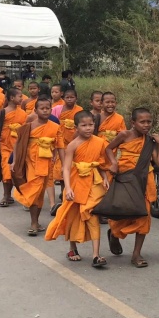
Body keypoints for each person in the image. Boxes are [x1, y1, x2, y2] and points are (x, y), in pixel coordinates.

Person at [45, 111, 119, 267]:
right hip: (76, 183)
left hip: (94, 183)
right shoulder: (72, 145)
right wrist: (69, 188)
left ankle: (96, 255)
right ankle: (72, 248)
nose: (88, 128)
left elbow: (101, 163)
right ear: (76, 127)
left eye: (91, 125)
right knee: (73, 217)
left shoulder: (100, 142)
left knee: (92, 216)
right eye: (84, 125)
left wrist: (105, 178)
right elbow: (66, 168)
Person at [106, 108, 159, 268]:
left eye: (149, 122)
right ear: (133, 123)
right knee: (121, 212)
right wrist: (114, 163)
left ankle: (136, 254)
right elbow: (108, 149)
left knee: (143, 216)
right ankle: (114, 233)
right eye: (142, 122)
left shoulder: (149, 141)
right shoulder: (124, 135)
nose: (146, 125)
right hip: (126, 178)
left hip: (145, 180)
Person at [12, 96, 64, 236]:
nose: (45, 111)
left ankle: (36, 221)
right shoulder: (29, 126)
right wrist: (15, 161)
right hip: (30, 163)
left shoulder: (55, 127)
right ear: (35, 110)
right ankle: (34, 223)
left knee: (39, 194)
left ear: (51, 110)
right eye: (42, 108)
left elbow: (60, 147)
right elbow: (18, 144)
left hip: (46, 164)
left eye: (48, 108)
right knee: (34, 192)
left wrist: (64, 165)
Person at [0, 88, 28, 207]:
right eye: (19, 96)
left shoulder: (23, 113)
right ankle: (6, 195)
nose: (21, 99)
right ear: (12, 98)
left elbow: (24, 130)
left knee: (16, 171)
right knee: (6, 170)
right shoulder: (3, 112)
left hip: (17, 146)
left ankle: (16, 195)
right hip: (5, 145)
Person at [51, 89, 83, 189]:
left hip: (75, 141)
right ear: (63, 98)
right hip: (61, 142)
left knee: (73, 166)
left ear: (76, 98)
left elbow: (81, 125)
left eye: (72, 97)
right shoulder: (57, 109)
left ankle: (71, 188)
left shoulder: (79, 110)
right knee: (62, 166)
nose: (69, 99)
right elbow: (53, 124)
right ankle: (63, 190)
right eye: (67, 97)